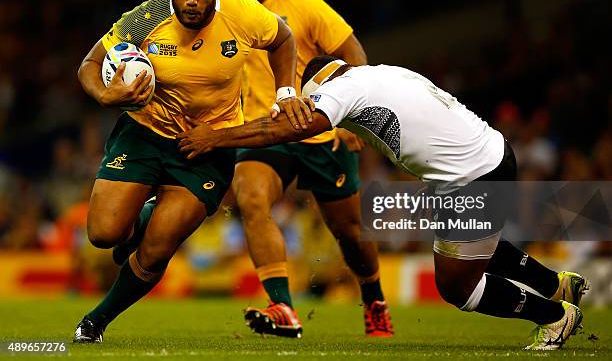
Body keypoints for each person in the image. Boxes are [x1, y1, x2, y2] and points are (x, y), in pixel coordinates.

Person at [177, 56, 590, 351]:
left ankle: (552, 316)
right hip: (488, 154)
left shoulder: (341, 91)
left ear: (319, 91)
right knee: (471, 248)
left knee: (458, 286)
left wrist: (216, 137)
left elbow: (291, 128)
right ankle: (556, 285)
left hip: (472, 177)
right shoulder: (383, 73)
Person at [72, 0, 311, 343]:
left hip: (207, 146)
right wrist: (104, 94)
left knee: (157, 248)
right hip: (144, 132)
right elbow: (90, 63)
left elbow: (283, 38)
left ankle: (96, 321)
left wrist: (286, 91)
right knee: (103, 234)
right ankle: (142, 215)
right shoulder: (146, 17)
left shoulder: (242, 13)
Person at [224, 0, 392, 338]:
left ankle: (373, 298)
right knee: (251, 199)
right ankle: (283, 306)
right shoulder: (219, 10)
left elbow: (353, 55)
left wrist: (354, 116)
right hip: (265, 133)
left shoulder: (305, 4)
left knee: (350, 234)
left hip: (318, 131)